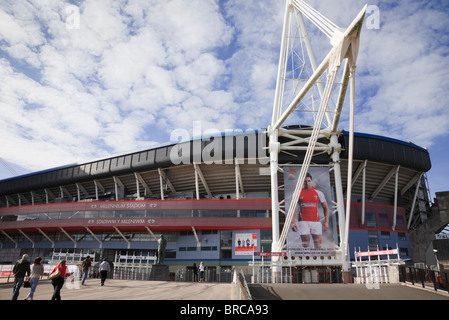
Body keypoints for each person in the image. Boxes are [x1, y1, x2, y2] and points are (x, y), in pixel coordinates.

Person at [292, 172, 329, 249]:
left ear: (311, 181)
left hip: (316, 221)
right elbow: (293, 208)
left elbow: (325, 207)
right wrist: (292, 223)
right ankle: (305, 260)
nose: (307, 183)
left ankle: (318, 260)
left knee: (318, 245)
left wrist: (326, 222)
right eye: (305, 181)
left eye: (309, 181)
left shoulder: (318, 192)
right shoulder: (297, 192)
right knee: (306, 244)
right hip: (303, 221)